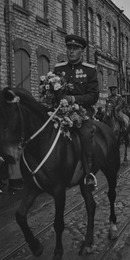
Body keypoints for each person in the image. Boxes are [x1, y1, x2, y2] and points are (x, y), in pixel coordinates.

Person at [54, 34, 99, 188]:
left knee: (86, 134)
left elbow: (93, 96)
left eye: (75, 49)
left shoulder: (89, 70)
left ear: (82, 51)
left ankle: (88, 172)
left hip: (82, 112)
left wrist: (74, 100)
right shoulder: (59, 69)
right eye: (69, 48)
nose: (71, 51)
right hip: (60, 111)